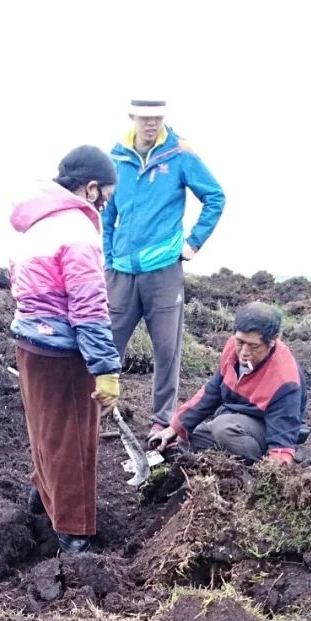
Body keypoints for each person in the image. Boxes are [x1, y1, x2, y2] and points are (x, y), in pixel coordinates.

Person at [9, 146, 122, 553]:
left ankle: (41, 500)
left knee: (46, 432)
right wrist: (105, 368)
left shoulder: (37, 224)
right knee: (74, 441)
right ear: (90, 188)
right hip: (62, 351)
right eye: (105, 195)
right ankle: (74, 537)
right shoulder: (77, 230)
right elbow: (89, 307)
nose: (105, 204)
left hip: (30, 343)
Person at [103, 98, 225, 448]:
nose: (151, 123)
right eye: (145, 117)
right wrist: (109, 258)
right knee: (107, 347)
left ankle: (161, 424)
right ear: (133, 117)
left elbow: (215, 196)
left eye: (157, 117)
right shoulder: (116, 158)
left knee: (167, 351)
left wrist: (193, 244)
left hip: (164, 271)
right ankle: (90, 418)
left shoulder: (180, 154)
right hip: (122, 272)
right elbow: (106, 214)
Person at [155, 302, 308, 464]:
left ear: (273, 340)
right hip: (235, 421)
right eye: (240, 342)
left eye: (254, 346)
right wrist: (175, 427)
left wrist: (273, 468)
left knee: (224, 429)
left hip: (266, 427)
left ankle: (254, 465)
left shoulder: (284, 379)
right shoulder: (232, 348)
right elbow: (212, 391)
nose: (244, 353)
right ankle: (227, 457)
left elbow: (282, 437)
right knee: (187, 440)